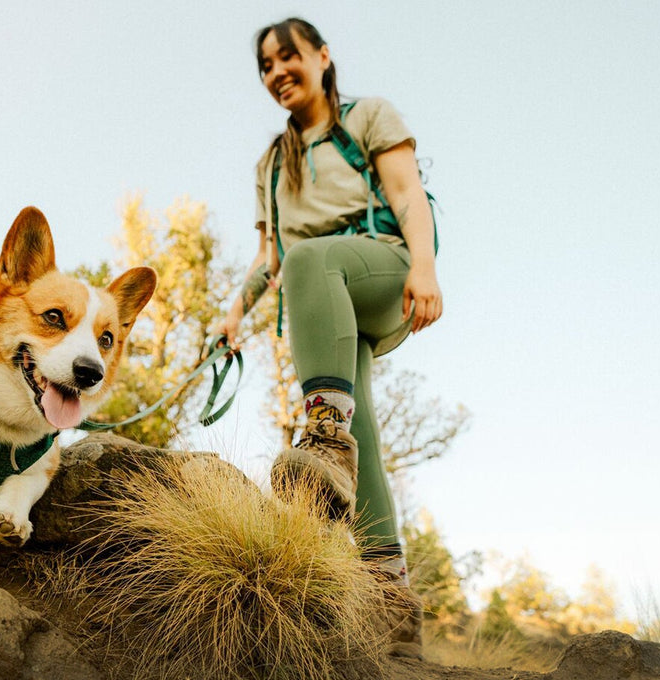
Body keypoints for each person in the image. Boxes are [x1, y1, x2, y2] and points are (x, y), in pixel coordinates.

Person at [213, 17, 441, 657]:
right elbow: (270, 258)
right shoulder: (270, 164)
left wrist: (423, 266)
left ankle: (323, 436)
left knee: (314, 262)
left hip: (382, 269)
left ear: (322, 57)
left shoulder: (368, 116)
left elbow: (407, 193)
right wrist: (233, 315)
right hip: (322, 301)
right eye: (266, 65)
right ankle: (390, 607)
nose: (278, 71)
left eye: (289, 57)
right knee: (358, 424)